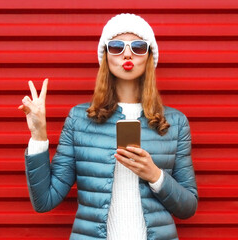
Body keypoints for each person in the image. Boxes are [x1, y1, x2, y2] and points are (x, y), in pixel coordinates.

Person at [18, 13, 198, 240]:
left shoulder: (175, 122)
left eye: (139, 47)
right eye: (116, 46)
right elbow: (45, 200)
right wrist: (38, 135)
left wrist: (155, 176)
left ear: (149, 56)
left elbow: (188, 207)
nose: (127, 53)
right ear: (105, 56)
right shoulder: (79, 119)